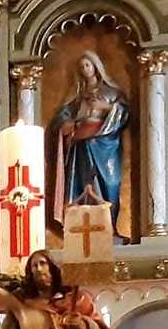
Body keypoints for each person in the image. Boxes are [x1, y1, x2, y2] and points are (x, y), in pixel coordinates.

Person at [50, 51, 129, 237]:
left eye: (88, 65)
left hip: (106, 145)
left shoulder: (111, 92)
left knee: (110, 183)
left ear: (95, 66)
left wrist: (106, 107)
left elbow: (124, 113)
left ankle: (110, 227)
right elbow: (62, 116)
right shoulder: (79, 96)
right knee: (84, 185)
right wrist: (66, 124)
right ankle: (80, 229)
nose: (85, 69)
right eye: (82, 67)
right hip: (82, 146)